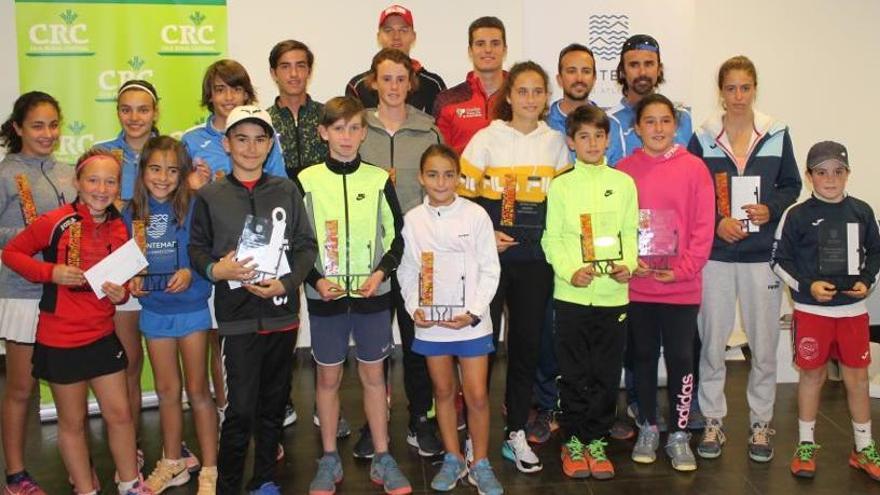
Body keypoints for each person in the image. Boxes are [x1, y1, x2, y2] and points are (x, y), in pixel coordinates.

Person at [2, 149, 149, 495]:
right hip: (60, 339)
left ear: (118, 186)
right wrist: (50, 272)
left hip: (102, 335)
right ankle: (86, 490)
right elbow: (12, 254)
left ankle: (130, 484)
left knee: (121, 415)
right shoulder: (55, 221)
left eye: (110, 181)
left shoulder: (119, 225)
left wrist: (122, 295)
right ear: (77, 183)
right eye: (93, 180)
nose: (101, 188)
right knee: (72, 424)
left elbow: (125, 284)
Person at [188, 105, 317, 494]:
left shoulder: (285, 190)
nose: (250, 147)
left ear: (270, 144)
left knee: (273, 405)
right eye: (241, 139)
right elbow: (196, 249)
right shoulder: (211, 196)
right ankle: (228, 484)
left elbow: (307, 245)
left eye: (260, 139)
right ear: (226, 144)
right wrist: (216, 271)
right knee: (240, 408)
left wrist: (287, 283)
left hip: (281, 316)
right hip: (237, 319)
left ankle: (263, 481)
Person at [688, 55, 801, 463]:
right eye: (730, 88)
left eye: (745, 88)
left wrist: (771, 208)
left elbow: (791, 183)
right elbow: (693, 189)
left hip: (759, 256)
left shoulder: (776, 132)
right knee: (713, 343)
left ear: (755, 89)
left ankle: (760, 422)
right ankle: (713, 419)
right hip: (716, 255)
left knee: (764, 345)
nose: (738, 96)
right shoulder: (703, 135)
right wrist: (717, 221)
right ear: (721, 91)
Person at [459, 61, 569, 474]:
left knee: (525, 348)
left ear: (546, 97)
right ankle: (475, 433)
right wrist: (487, 231)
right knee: (481, 349)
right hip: (490, 261)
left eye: (537, 91)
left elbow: (564, 204)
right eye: (521, 91)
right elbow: (461, 198)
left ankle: (515, 431)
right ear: (508, 95)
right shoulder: (487, 139)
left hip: (536, 264)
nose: (529, 99)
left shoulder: (556, 142)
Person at [298, 96, 410, 495]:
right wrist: (314, 280)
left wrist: (381, 272)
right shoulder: (306, 180)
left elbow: (398, 236)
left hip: (372, 293)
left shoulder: (379, 179)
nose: (347, 137)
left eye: (355, 128)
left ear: (364, 132)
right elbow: (299, 241)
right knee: (327, 378)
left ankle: (383, 455)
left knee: (374, 376)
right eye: (339, 128)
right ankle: (328, 458)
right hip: (324, 295)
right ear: (323, 132)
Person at [182, 59, 288, 428]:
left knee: (255, 335)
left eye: (236, 88)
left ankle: (260, 411)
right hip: (212, 251)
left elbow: (279, 189)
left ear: (247, 92)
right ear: (209, 96)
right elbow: (176, 194)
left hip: (260, 254)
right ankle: (231, 410)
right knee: (218, 334)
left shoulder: (264, 136)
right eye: (220, 89)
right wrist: (198, 188)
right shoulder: (191, 139)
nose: (228, 97)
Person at [771, 141, 880, 482]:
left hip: (852, 311)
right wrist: (808, 286)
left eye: (838, 171)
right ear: (809, 176)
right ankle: (806, 445)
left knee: (858, 379)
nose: (830, 179)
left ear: (848, 174)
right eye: (821, 172)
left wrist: (867, 282)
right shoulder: (797, 215)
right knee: (812, 376)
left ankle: (863, 448)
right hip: (812, 311)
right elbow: (779, 260)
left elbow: (876, 255)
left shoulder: (862, 211)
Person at [616, 94, 714, 472]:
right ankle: (648, 426)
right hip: (638, 285)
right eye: (650, 121)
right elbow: (618, 226)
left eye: (665, 121)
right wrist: (630, 261)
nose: (658, 128)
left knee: (680, 359)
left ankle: (679, 433)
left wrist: (684, 269)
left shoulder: (694, 169)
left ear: (676, 125)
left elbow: (704, 227)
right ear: (637, 128)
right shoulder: (623, 170)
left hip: (681, 286)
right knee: (641, 357)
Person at [397, 144, 503, 494]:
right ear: (421, 178)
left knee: (475, 395)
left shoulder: (475, 216)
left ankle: (481, 462)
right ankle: (454, 457)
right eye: (432, 174)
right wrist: (416, 309)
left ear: (458, 177)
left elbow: (490, 268)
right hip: (432, 325)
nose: (441, 182)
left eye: (448, 174)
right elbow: (408, 271)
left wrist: (473, 311)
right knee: (442, 391)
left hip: (471, 323)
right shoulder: (413, 220)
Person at [542, 104, 638, 480]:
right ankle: (573, 441)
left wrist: (626, 265)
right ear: (571, 141)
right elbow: (553, 239)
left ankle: (596, 441)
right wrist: (571, 271)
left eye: (599, 136)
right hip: (572, 295)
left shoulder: (624, 183)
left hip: (613, 296)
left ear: (608, 140)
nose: (592, 143)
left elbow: (629, 235)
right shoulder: (562, 185)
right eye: (584, 136)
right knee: (574, 372)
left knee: (605, 372)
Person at [359, 47, 444, 458]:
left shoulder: (429, 131)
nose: (393, 86)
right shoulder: (356, 130)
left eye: (400, 79)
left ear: (411, 83)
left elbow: (444, 191)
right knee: (372, 346)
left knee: (417, 343)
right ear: (373, 82)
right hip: (371, 259)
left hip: (416, 258)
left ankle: (419, 419)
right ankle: (369, 422)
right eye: (385, 78)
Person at [125, 136, 217, 493]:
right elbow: (128, 259)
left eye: (172, 170)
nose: (163, 177)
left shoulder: (195, 205)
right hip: (155, 312)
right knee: (166, 392)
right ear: (142, 170)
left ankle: (209, 466)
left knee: (197, 390)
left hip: (191, 308)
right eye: (155, 169)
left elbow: (206, 250)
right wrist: (132, 279)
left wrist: (190, 272)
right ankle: (173, 461)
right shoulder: (131, 212)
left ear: (183, 173)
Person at [0, 91, 74, 495]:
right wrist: (35, 236)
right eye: (37, 126)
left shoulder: (67, 172)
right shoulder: (6, 174)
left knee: (66, 381)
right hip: (24, 292)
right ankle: (14, 474)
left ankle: (76, 464)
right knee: (21, 387)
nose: (47, 134)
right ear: (18, 128)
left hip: (67, 293)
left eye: (53, 124)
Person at [530, 42, 598, 443]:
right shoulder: (544, 127)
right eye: (570, 70)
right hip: (548, 241)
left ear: (594, 76)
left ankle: (588, 406)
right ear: (559, 79)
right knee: (546, 330)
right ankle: (546, 403)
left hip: (592, 249)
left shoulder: (605, 124)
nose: (578, 77)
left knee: (588, 334)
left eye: (585, 70)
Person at [606, 35, 693, 166]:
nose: (642, 72)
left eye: (649, 64)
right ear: (622, 71)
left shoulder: (682, 117)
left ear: (659, 69)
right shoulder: (608, 121)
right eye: (634, 65)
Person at [346, 4, 446, 114]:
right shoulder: (358, 86)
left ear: (413, 36)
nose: (396, 37)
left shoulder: (433, 85)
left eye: (403, 30)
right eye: (388, 30)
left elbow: (440, 129)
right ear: (379, 36)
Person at [433, 16, 507, 154]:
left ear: (504, 49)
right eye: (480, 44)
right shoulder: (447, 100)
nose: (488, 50)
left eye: (495, 43)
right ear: (470, 51)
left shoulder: (521, 97)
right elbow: (440, 159)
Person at [267, 39, 328, 176]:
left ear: (309, 71)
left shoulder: (328, 116)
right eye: (285, 66)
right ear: (273, 73)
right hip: (279, 195)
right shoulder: (264, 121)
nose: (294, 74)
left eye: (300, 66)